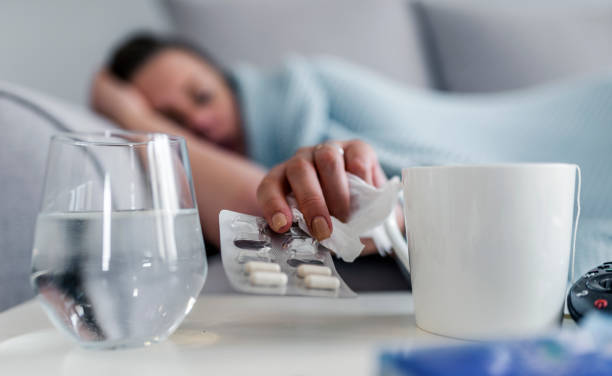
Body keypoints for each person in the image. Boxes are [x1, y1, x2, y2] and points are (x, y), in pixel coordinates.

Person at [92, 34, 612, 270]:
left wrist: (135, 117)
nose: (200, 122)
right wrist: (136, 125)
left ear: (230, 82)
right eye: (174, 123)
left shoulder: (312, 92)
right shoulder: (259, 167)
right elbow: (267, 213)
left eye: (202, 97)